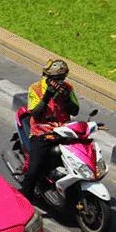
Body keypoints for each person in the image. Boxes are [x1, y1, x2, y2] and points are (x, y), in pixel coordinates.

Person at [20, 59, 80, 198]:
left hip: (64, 130)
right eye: (56, 79)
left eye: (62, 78)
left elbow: (75, 110)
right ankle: (25, 197)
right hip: (42, 132)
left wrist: (66, 98)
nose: (59, 82)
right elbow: (35, 113)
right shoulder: (35, 88)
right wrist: (47, 96)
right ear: (47, 77)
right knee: (33, 170)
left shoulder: (68, 88)